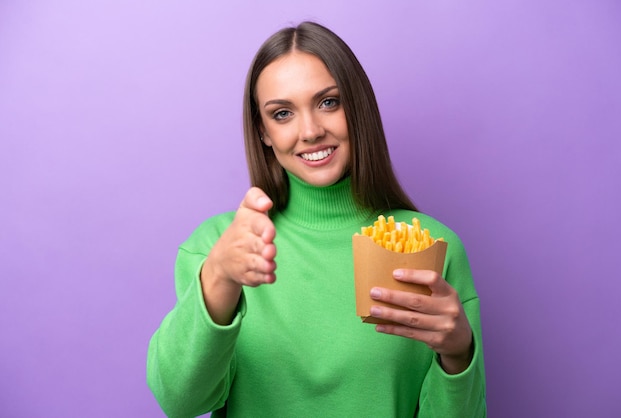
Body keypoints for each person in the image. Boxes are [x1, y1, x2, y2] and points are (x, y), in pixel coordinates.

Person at [147, 21, 486, 417]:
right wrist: (219, 275)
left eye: (329, 102)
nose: (310, 131)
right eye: (283, 113)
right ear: (264, 131)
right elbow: (179, 402)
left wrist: (459, 354)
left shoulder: (427, 246)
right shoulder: (218, 246)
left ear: (357, 107)